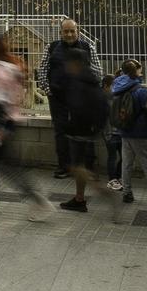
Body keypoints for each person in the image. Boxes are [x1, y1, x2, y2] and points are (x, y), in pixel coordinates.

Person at [0, 35, 54, 220]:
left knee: (6, 166)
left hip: (1, 124)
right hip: (9, 121)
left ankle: (37, 200)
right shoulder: (13, 66)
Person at [40, 18, 100, 179]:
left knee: (85, 132)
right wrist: (48, 90)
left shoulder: (88, 47)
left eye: (72, 31)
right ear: (61, 32)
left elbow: (97, 71)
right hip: (58, 99)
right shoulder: (51, 47)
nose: (69, 34)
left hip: (82, 100)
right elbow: (43, 70)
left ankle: (88, 168)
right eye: (66, 31)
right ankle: (64, 167)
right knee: (61, 132)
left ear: (78, 31)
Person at [56, 48, 110, 213]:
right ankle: (79, 199)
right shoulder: (90, 77)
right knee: (78, 165)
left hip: (79, 129)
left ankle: (103, 193)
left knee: (76, 167)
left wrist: (68, 125)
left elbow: (77, 105)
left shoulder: (79, 81)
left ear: (76, 63)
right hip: (88, 129)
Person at [112, 59, 147, 205]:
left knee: (126, 163)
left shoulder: (117, 86)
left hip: (124, 130)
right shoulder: (141, 90)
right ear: (138, 71)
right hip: (140, 131)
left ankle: (127, 193)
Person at [102, 73, 123, 191]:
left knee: (123, 156)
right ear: (106, 86)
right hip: (110, 133)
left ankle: (118, 176)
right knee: (112, 156)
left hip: (120, 132)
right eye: (112, 85)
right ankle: (112, 179)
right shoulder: (103, 100)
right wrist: (107, 133)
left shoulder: (117, 98)